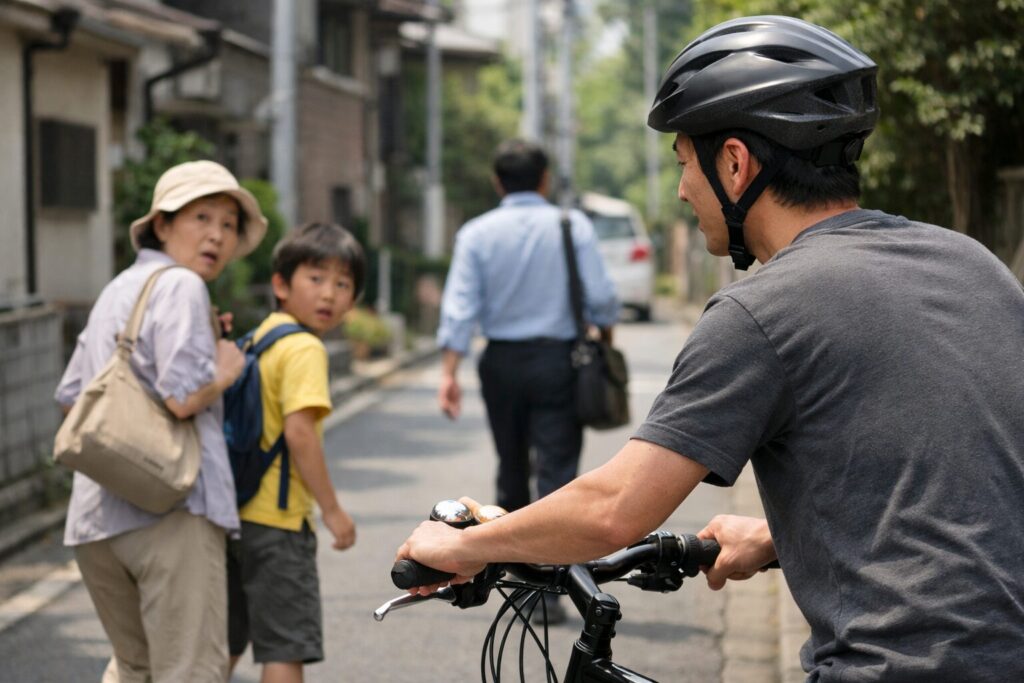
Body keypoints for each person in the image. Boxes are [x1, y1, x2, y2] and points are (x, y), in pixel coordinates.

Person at [398, 15, 1024, 681]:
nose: (680, 191)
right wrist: (776, 539)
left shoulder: (762, 310)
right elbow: (956, 480)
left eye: (683, 164)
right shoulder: (972, 263)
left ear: (734, 162)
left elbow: (615, 508)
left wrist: (468, 545)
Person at [55, 160, 266, 682]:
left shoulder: (118, 290)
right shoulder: (183, 287)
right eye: (202, 217)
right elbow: (182, 399)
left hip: (95, 519)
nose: (217, 234)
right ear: (163, 224)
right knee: (188, 671)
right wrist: (224, 369)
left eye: (228, 224)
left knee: (134, 668)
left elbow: (70, 397)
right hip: (171, 512)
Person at [435, 139, 618, 621]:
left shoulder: (476, 233)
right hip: (559, 362)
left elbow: (459, 308)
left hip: (500, 364)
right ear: (544, 180)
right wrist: (606, 338)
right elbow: (601, 299)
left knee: (511, 470)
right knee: (557, 476)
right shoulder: (570, 224)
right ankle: (551, 591)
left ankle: (519, 579)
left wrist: (448, 373)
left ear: (498, 182)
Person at [227, 222, 361, 682]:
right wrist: (332, 510)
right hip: (280, 522)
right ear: (281, 284)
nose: (329, 294)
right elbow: (300, 433)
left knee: (224, 642)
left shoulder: (259, 338)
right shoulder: (304, 348)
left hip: (235, 516)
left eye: (343, 284)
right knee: (284, 648)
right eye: (316, 278)